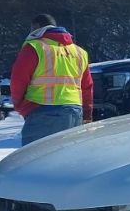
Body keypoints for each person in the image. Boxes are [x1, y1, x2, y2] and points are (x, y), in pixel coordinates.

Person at [9, 13, 93, 145]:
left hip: (41, 111)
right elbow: (87, 87)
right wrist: (87, 115)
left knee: (33, 160)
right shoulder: (79, 52)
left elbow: (18, 80)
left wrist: (21, 106)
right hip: (74, 112)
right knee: (64, 159)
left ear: (36, 27)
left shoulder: (34, 48)